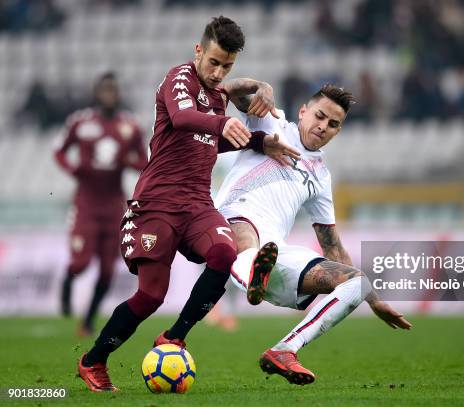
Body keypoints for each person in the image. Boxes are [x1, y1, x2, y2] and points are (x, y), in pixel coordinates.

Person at [77, 16, 299, 392]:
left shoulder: (216, 97)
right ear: (199, 51)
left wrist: (262, 143)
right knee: (150, 294)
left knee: (224, 254)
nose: (218, 72)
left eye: (227, 66)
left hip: (197, 203)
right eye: (213, 62)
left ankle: (174, 337)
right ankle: (93, 360)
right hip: (157, 203)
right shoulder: (178, 77)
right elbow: (182, 119)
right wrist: (222, 121)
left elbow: (215, 138)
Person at [213, 84, 412, 385]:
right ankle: (253, 269)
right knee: (247, 242)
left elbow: (332, 247)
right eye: (319, 116)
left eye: (333, 124)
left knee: (357, 283)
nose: (323, 127)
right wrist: (260, 87)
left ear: (339, 130)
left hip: (274, 252)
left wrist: (372, 299)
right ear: (303, 111)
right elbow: (229, 90)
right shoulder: (273, 123)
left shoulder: (320, 177)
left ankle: (284, 350)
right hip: (232, 219)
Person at [55, 72, 147, 337]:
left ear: (118, 94)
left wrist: (125, 162)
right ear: (97, 93)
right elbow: (59, 150)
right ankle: (68, 281)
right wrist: (73, 168)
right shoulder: (81, 121)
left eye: (113, 90)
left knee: (107, 271)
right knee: (81, 263)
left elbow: (142, 160)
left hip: (113, 205)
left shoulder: (129, 126)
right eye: (105, 90)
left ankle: (88, 320)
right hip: (86, 203)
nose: (109, 95)